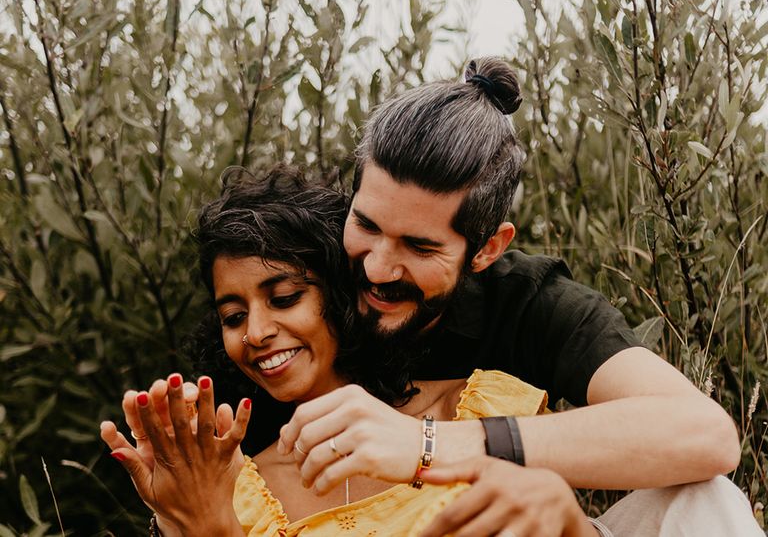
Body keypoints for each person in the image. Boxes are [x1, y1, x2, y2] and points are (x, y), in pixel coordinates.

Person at [276, 57, 762, 535]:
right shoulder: (304, 278)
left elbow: (706, 434)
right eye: (366, 224)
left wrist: (431, 444)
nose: (377, 266)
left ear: (488, 249)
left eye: (419, 246)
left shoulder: (529, 300)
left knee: (705, 499)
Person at [100, 166, 597, 536]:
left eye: (285, 298)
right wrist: (193, 519)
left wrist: (571, 522)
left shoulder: (474, 409)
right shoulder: (242, 491)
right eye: (232, 317)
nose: (254, 332)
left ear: (341, 292)